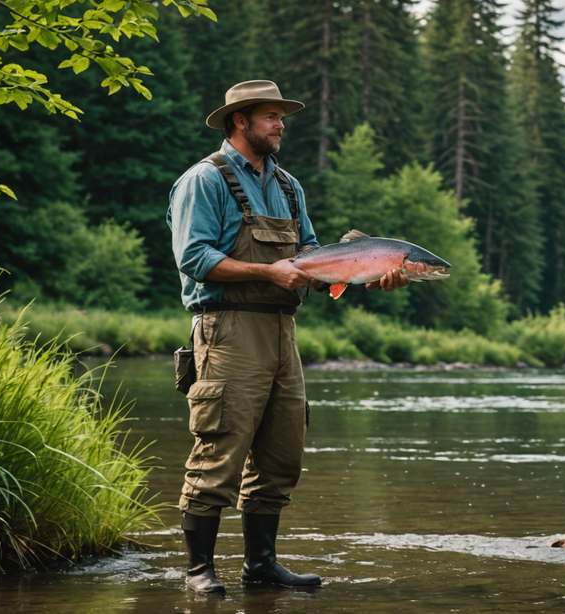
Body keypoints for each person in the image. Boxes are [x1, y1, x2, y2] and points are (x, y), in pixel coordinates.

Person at [167, 80, 408, 595]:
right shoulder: (204, 180)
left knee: (281, 456)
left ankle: (261, 567)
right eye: (272, 117)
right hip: (228, 330)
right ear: (240, 121)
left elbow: (314, 255)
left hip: (283, 332)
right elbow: (194, 258)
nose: (281, 126)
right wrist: (268, 272)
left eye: (282, 117)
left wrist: (367, 272)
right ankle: (198, 572)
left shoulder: (289, 186)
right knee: (219, 452)